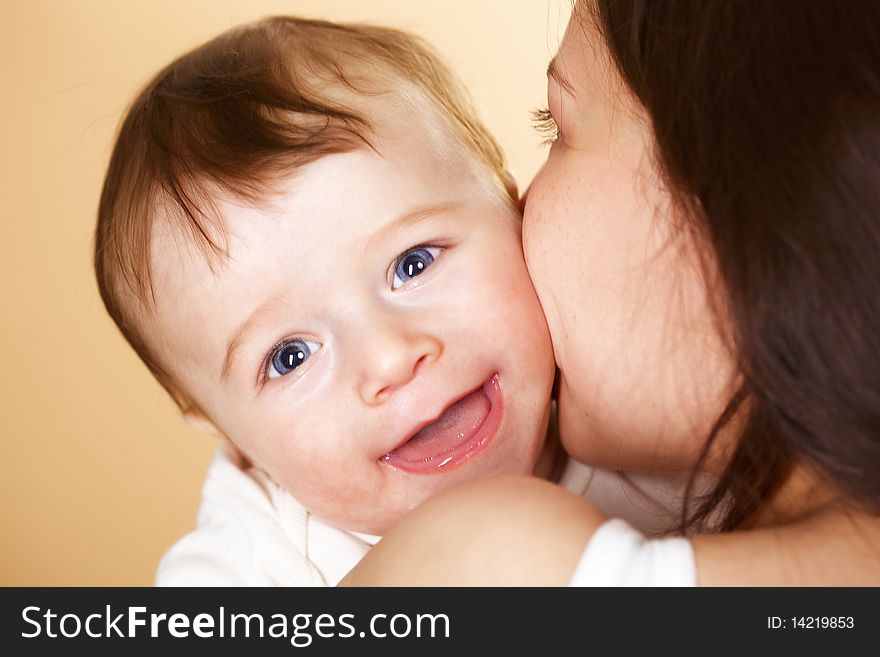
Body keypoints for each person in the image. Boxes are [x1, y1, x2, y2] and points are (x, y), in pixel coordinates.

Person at [341, 0, 880, 586]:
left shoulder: (504, 570)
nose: (517, 209)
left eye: (559, 129)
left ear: (746, 205)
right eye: (289, 357)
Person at [94, 16, 605, 586]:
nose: (389, 358)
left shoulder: (636, 404)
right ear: (217, 421)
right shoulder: (248, 562)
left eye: (414, 264)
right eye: (291, 356)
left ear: (510, 206)